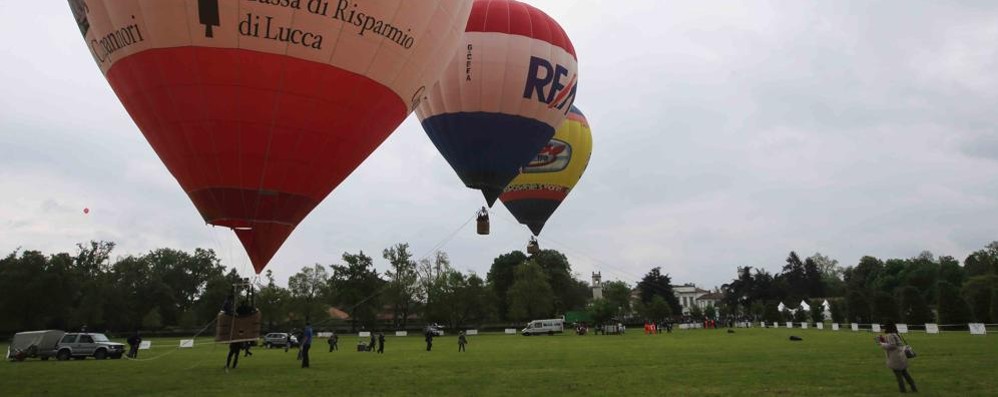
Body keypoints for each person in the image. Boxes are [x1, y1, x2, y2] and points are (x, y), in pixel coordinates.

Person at [877, 323, 917, 393]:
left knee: (899, 376)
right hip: (901, 356)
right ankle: (914, 388)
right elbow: (895, 343)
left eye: (884, 327)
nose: (883, 329)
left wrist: (882, 344)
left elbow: (892, 345)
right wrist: (883, 340)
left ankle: (903, 391)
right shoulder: (895, 333)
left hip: (895, 358)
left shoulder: (890, 335)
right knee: (905, 374)